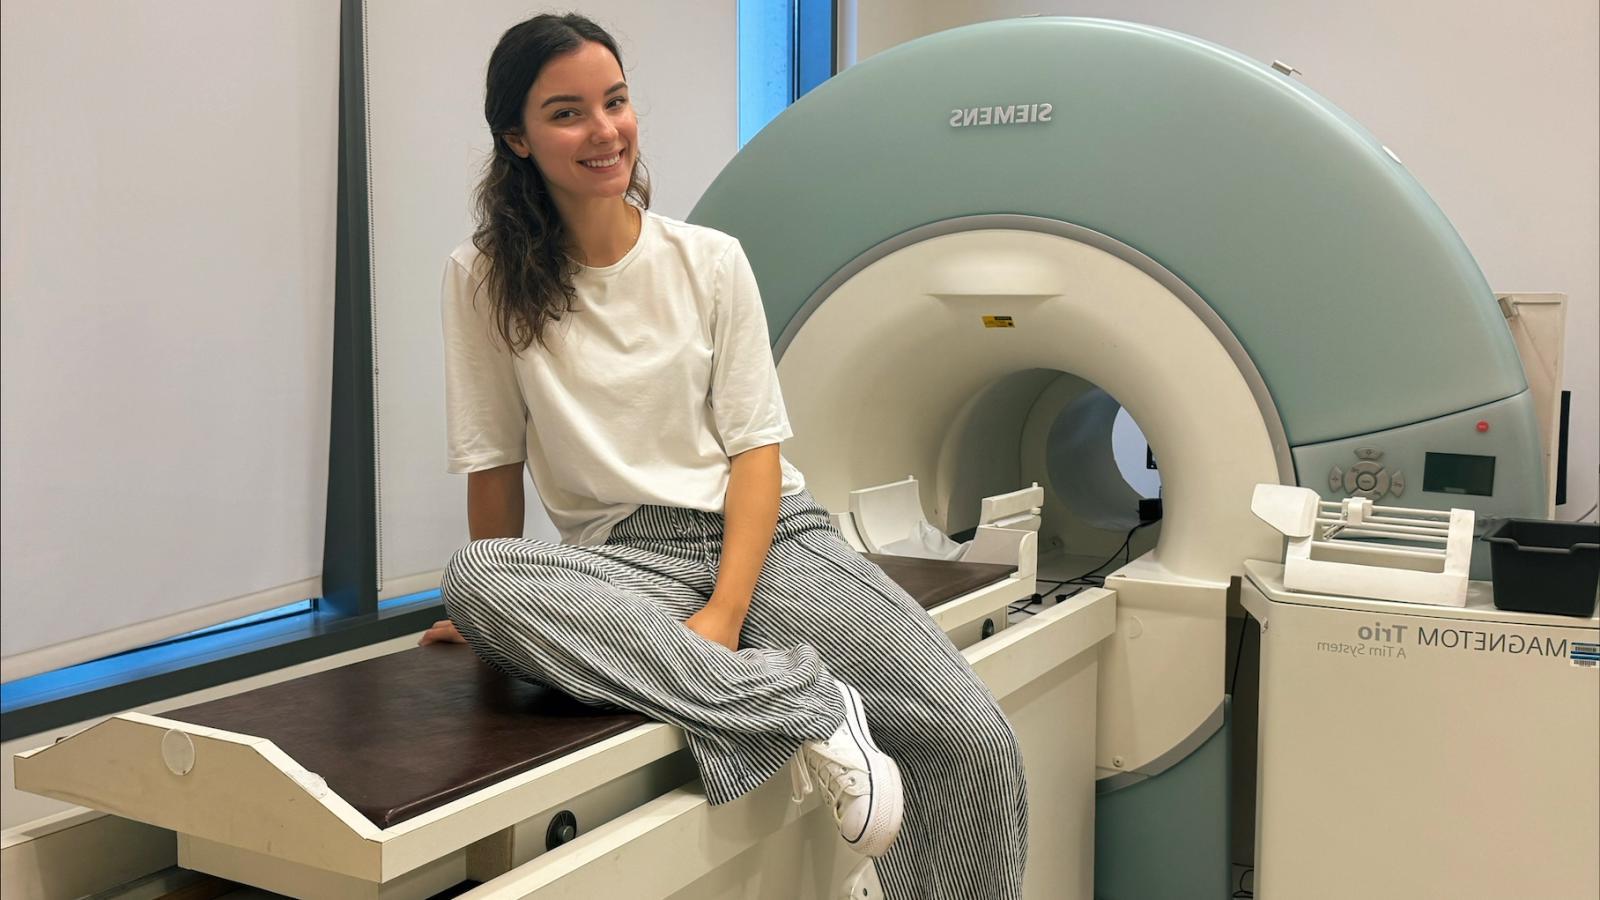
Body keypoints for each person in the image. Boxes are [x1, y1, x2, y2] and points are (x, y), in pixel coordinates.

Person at [419, 12, 1027, 897]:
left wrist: (727, 612)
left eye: (616, 102)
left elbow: (753, 452)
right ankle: (813, 710)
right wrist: (490, 623)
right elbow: (493, 460)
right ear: (515, 137)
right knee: (475, 574)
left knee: (974, 738)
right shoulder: (479, 279)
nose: (604, 131)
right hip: (622, 560)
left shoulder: (708, 261)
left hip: (770, 538)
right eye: (567, 113)